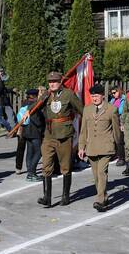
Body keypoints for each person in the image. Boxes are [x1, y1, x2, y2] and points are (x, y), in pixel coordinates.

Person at [36, 71, 83, 208]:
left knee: (65, 167)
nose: (52, 84)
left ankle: (65, 196)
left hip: (64, 135)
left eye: (55, 81)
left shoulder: (68, 94)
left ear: (60, 82)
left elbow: (82, 110)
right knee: (46, 166)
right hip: (49, 135)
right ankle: (47, 197)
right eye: (50, 82)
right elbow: (37, 110)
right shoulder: (46, 95)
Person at [78, 84, 121, 212]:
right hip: (91, 147)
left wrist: (118, 146)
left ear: (103, 95)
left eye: (97, 96)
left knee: (102, 173)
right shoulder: (87, 109)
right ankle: (104, 196)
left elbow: (116, 130)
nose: (94, 98)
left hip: (106, 147)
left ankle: (100, 200)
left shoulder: (111, 109)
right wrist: (81, 147)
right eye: (92, 96)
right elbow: (83, 130)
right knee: (96, 176)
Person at [20, 89, 45, 182]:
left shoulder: (24, 103)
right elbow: (39, 119)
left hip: (26, 131)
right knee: (39, 152)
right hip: (35, 132)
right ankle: (32, 172)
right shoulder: (35, 105)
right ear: (35, 95)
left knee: (30, 152)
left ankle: (29, 171)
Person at [109, 86, 125, 167]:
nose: (113, 94)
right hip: (113, 121)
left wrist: (122, 124)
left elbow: (121, 111)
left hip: (121, 121)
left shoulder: (124, 99)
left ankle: (121, 158)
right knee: (113, 139)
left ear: (119, 91)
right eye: (112, 93)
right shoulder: (112, 100)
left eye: (114, 92)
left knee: (120, 140)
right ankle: (114, 154)